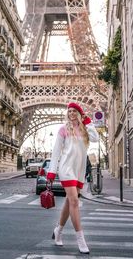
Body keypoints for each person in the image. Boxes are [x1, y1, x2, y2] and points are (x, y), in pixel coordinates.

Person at [47, 102, 99, 254]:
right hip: (66, 168)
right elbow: (56, 152)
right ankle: (81, 240)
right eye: (69, 111)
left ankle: (58, 230)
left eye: (74, 111)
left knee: (70, 201)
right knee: (75, 201)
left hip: (79, 170)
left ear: (79, 113)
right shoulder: (63, 129)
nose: (71, 114)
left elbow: (95, 138)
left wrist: (88, 122)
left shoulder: (85, 130)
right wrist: (51, 172)